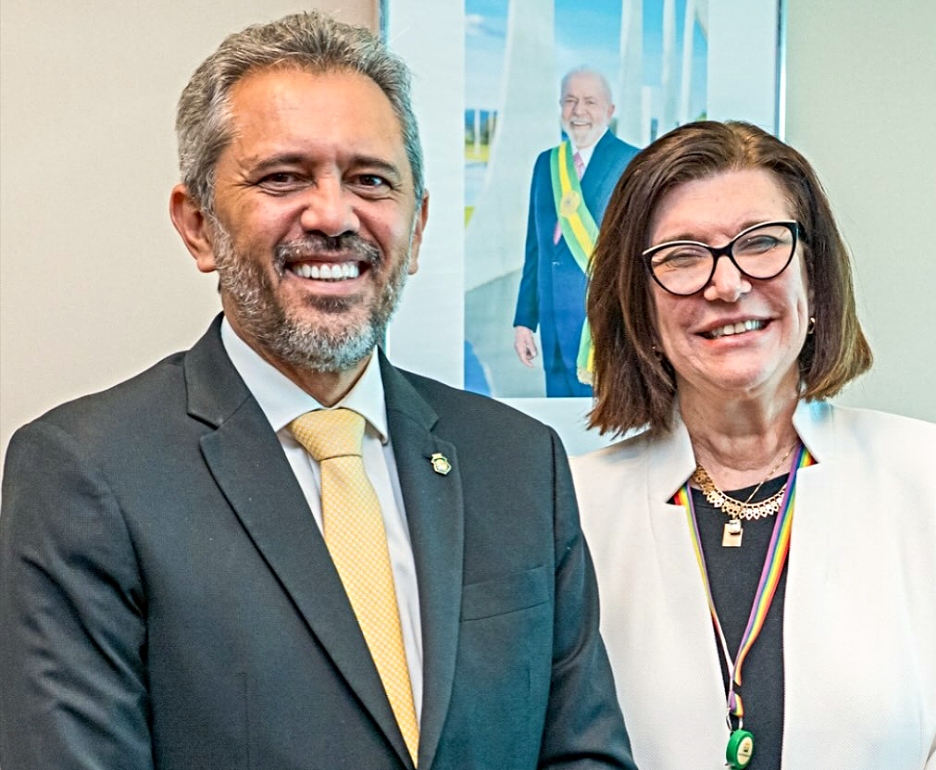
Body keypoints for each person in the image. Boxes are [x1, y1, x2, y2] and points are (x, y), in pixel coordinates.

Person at [0, 13, 636, 770]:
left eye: (370, 180)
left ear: (418, 227)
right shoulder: (85, 474)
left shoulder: (520, 462)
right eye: (283, 177)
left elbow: (584, 753)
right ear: (198, 225)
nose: (334, 216)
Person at [572, 120, 936, 769]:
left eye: (761, 243)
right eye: (682, 256)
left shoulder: (931, 476)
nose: (726, 284)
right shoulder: (575, 507)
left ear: (814, 278)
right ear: (641, 309)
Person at [513, 67, 639, 398]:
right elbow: (536, 250)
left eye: (590, 102)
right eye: (569, 101)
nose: (578, 111)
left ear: (610, 110)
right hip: (551, 322)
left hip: (601, 325)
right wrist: (524, 321)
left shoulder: (633, 163)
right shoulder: (546, 164)